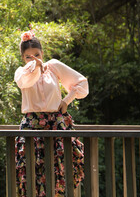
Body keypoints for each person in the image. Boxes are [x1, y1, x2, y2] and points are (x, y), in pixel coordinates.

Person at [14, 30, 88, 196]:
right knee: (31, 175)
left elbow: (82, 83)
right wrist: (35, 67)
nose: (33, 58)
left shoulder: (53, 66)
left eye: (37, 54)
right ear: (22, 58)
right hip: (31, 127)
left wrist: (66, 100)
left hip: (56, 125)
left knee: (60, 173)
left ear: (42, 53)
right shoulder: (21, 73)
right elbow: (27, 81)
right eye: (28, 56)